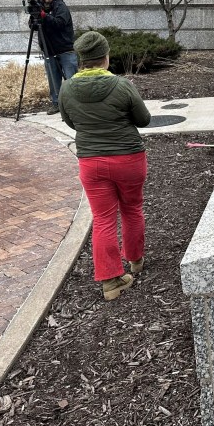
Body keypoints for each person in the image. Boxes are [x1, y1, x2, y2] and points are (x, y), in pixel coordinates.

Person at [58, 31, 152, 301]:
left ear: (82, 60)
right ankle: (135, 259)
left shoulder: (66, 88)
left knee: (102, 219)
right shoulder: (122, 85)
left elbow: (70, 122)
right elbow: (143, 120)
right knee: (132, 208)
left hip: (91, 161)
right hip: (128, 159)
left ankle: (111, 281)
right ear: (105, 57)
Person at [33, 0, 78, 115]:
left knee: (71, 79)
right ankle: (56, 103)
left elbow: (60, 23)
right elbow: (33, 26)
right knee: (53, 79)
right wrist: (35, 16)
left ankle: (74, 105)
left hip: (65, 49)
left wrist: (44, 16)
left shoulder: (60, 6)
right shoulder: (39, 7)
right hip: (49, 50)